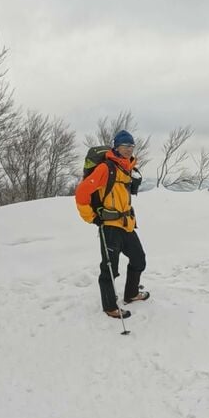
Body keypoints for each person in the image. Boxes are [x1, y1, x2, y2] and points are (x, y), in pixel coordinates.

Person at [75, 130, 149, 319]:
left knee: (139, 259)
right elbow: (82, 192)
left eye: (131, 146)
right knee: (110, 269)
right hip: (109, 226)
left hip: (127, 224)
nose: (129, 149)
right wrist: (92, 217)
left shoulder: (127, 168)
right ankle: (110, 307)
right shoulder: (105, 168)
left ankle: (131, 293)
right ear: (116, 147)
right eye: (125, 146)